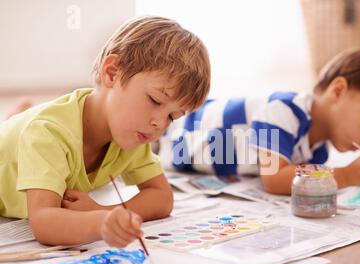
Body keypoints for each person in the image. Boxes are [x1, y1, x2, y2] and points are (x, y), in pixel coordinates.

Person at [0, 16, 211, 247]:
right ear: (112, 73)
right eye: (155, 100)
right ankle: (16, 116)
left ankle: (17, 114)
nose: (159, 124)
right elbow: (44, 222)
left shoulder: (133, 133)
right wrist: (100, 223)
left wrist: (105, 211)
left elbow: (162, 198)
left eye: (172, 117)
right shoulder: (48, 132)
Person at [159, 49, 360, 194]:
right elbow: (275, 178)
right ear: (337, 91)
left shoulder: (318, 150)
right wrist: (344, 176)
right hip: (173, 134)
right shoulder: (282, 111)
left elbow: (299, 179)